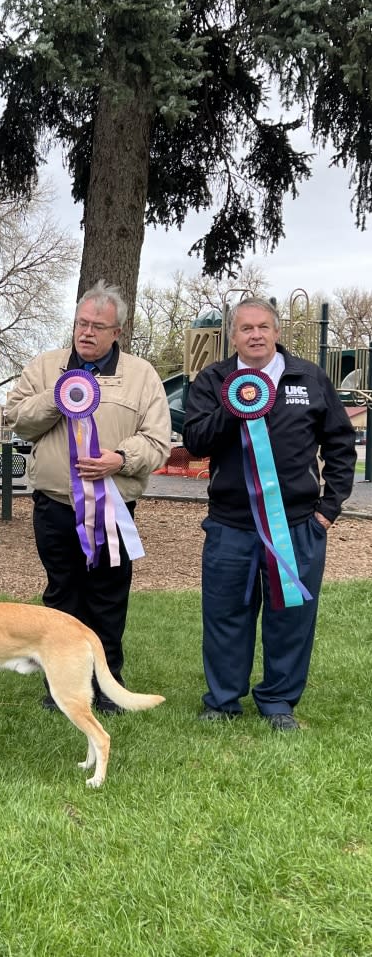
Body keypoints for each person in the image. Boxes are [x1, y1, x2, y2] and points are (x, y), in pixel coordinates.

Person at [183, 297, 357, 730]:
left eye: (263, 327)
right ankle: (222, 700)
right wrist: (234, 405)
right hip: (230, 526)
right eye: (245, 328)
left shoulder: (310, 379)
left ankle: (279, 701)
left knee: (291, 616)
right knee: (225, 615)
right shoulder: (213, 380)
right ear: (233, 337)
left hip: (297, 525)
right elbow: (195, 441)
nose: (255, 335)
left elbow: (339, 444)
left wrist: (328, 510)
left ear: (277, 332)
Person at [4, 280, 171, 712]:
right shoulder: (45, 366)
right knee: (62, 597)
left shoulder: (141, 376)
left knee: (108, 597)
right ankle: (61, 687)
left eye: (99, 326)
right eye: (82, 323)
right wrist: (57, 399)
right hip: (54, 506)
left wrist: (120, 458)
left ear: (118, 332)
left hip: (112, 507)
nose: (87, 332)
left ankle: (108, 683)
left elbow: (158, 441)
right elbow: (16, 419)